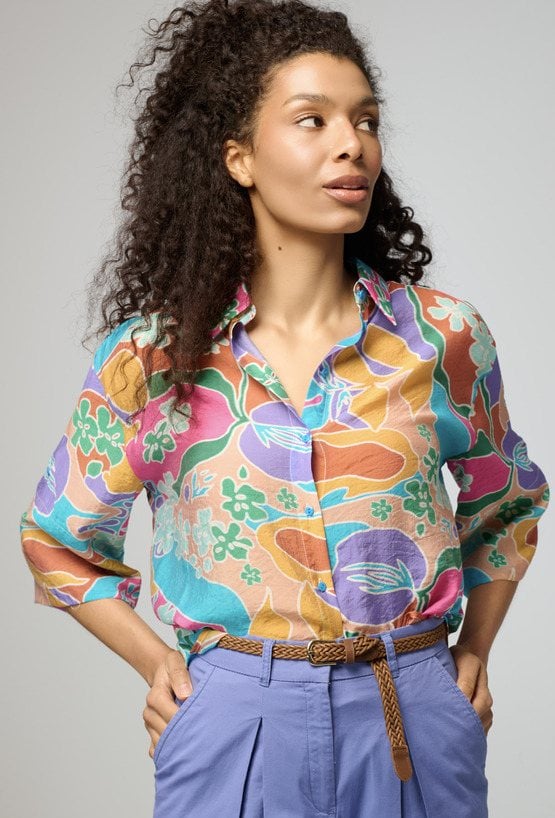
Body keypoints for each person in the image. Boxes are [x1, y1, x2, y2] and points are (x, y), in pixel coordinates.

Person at [19, 1, 550, 816]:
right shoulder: (152, 357)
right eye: (312, 120)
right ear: (238, 157)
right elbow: (58, 540)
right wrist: (157, 664)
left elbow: (506, 502)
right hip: (233, 718)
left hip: (410, 708)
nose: (352, 143)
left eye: (365, 120)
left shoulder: (441, 336)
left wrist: (473, 648)